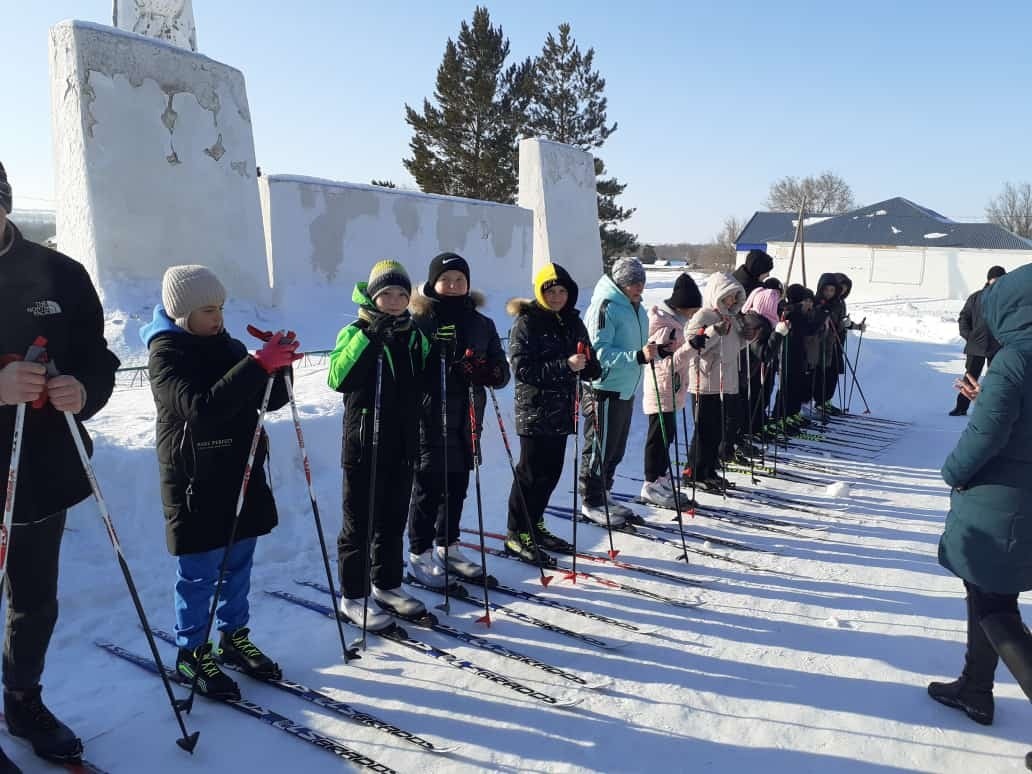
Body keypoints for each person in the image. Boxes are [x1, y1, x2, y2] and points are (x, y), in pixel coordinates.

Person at [0, 162, 119, 770]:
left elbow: (99, 359)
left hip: (39, 471)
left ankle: (22, 700)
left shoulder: (60, 275)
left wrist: (82, 390)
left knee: (35, 602)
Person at [143, 265, 299, 700]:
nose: (217, 317)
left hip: (238, 470)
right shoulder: (166, 354)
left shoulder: (228, 346)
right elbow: (201, 407)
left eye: (221, 308)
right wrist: (255, 366)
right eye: (208, 309)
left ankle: (234, 637)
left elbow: (269, 400)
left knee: (238, 564)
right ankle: (191, 652)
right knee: (198, 574)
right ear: (182, 312)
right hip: (194, 480)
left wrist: (278, 365)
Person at [930, 264, 1032, 771]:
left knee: (994, 605)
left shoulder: (1015, 360)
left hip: (1002, 499)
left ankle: (978, 687)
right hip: (1023, 495)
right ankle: (975, 687)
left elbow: (987, 439)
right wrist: (984, 397)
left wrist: (952, 471)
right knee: (988, 590)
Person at [327, 260, 429, 630]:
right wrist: (371, 338)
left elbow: (424, 381)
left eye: (402, 294)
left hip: (402, 442)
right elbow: (338, 377)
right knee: (360, 523)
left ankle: (387, 584)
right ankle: (353, 596)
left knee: (392, 518)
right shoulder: (355, 330)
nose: (396, 301)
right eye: (387, 294)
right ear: (374, 296)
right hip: (364, 443)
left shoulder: (413, 334)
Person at [407, 253, 509, 586]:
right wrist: (438, 358)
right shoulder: (419, 321)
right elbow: (407, 372)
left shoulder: (481, 323)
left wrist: (486, 371)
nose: (453, 286)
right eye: (445, 279)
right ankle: (418, 554)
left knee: (457, 488)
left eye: (459, 280)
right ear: (433, 283)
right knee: (428, 490)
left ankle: (448, 546)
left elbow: (502, 372)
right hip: (428, 417)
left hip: (467, 418)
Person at [504, 263, 600, 566]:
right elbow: (522, 369)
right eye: (550, 291)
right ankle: (517, 532)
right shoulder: (527, 322)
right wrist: (565, 366)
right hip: (534, 410)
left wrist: (590, 366)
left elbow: (589, 359)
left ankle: (536, 523)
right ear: (540, 293)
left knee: (551, 472)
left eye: (562, 291)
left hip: (563, 411)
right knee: (531, 474)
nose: (557, 296)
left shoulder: (572, 321)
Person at [579, 258, 656, 526]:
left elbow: (639, 346)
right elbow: (598, 351)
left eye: (642, 282)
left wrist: (656, 350)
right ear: (620, 282)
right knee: (600, 447)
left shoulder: (636, 307)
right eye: (633, 282)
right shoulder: (606, 306)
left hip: (625, 387)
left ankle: (604, 493)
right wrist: (636, 356)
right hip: (605, 387)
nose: (639, 287)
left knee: (615, 449)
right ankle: (591, 499)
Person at [640, 273, 701, 507]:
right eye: (692, 309)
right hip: (661, 389)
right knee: (659, 437)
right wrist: (691, 348)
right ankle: (651, 482)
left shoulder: (675, 324)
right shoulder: (666, 328)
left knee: (667, 436)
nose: (694, 314)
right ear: (681, 306)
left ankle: (660, 477)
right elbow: (666, 362)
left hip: (670, 390)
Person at [684, 272, 747, 492]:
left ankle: (709, 469)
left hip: (726, 380)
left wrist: (748, 337)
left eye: (734, 297)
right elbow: (693, 344)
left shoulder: (731, 317)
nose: (730, 301)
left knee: (718, 430)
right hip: (705, 381)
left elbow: (733, 346)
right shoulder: (704, 316)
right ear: (716, 295)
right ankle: (694, 471)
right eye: (727, 297)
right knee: (704, 430)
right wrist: (714, 332)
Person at [949, 266, 1006, 417]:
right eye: (995, 279)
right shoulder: (976, 297)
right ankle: (961, 407)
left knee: (996, 378)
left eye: (1001, 280)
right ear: (988, 280)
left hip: (998, 346)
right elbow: (964, 317)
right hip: (976, 346)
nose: (997, 283)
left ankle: (992, 409)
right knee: (970, 377)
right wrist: (969, 335)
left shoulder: (1007, 299)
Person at [737, 288, 787, 454]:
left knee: (745, 406)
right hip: (745, 373)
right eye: (775, 305)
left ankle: (739, 440)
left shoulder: (755, 318)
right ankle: (737, 442)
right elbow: (764, 353)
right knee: (742, 408)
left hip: (747, 372)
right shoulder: (758, 323)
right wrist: (778, 334)